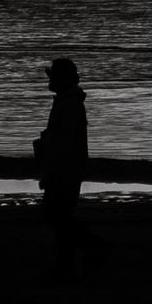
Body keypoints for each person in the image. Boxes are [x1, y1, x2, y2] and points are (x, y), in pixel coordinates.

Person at [33, 58, 109, 280]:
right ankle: (68, 263)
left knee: (54, 214)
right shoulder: (67, 101)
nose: (50, 80)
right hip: (66, 169)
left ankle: (92, 247)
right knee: (59, 216)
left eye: (54, 76)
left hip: (65, 170)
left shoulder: (70, 104)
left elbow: (63, 143)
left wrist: (51, 170)